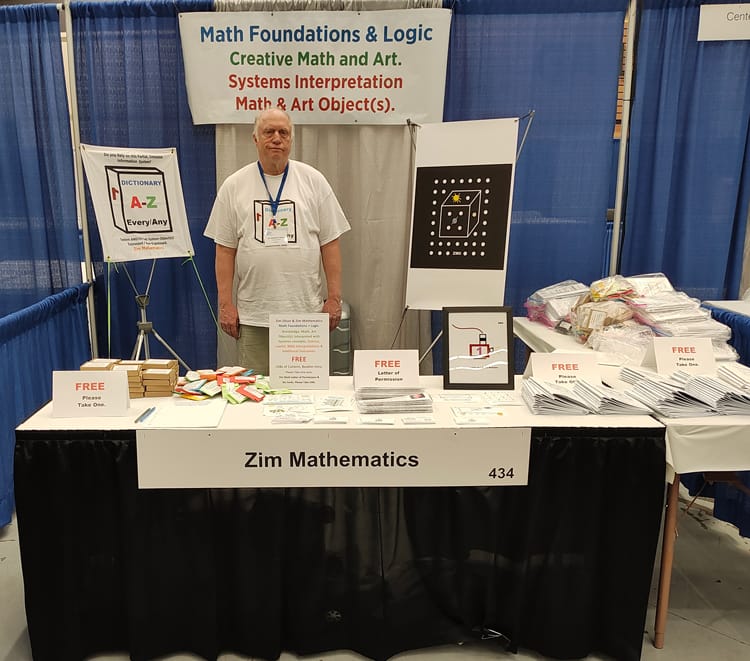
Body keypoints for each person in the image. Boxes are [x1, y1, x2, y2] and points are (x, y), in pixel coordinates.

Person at [204, 107, 350, 374]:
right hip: (254, 317)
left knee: (304, 394)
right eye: (268, 132)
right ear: (255, 138)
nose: (276, 138)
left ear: (291, 139)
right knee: (255, 393)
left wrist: (334, 299)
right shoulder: (234, 186)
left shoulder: (314, 182)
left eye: (283, 132)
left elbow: (330, 244)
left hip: (304, 316)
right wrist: (225, 305)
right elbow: (224, 249)